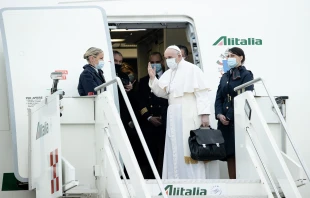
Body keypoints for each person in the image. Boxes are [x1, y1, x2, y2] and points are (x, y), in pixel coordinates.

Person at [148, 45, 219, 179]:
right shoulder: (169, 72)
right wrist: (153, 79)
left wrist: (204, 115)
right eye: (166, 58)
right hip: (173, 114)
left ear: (179, 56)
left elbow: (202, 94)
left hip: (189, 112)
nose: (168, 60)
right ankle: (176, 179)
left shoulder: (192, 69)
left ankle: (194, 182)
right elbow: (161, 93)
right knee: (175, 147)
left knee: (189, 147)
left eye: (170, 57)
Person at [215, 47, 254, 179]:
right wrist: (219, 115)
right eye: (228, 56)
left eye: (232, 56)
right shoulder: (225, 75)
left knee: (239, 153)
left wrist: (229, 116)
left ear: (241, 57)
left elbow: (244, 96)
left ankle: (241, 183)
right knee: (229, 153)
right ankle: (233, 181)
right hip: (224, 122)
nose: (229, 58)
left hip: (237, 120)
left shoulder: (246, 75)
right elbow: (219, 97)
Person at [138, 52, 168, 179]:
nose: (156, 65)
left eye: (157, 62)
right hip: (150, 122)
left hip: (166, 121)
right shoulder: (144, 81)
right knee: (151, 153)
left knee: (166, 153)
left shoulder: (169, 77)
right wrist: (149, 117)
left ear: (162, 62)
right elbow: (140, 102)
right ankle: (151, 180)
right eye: (152, 62)